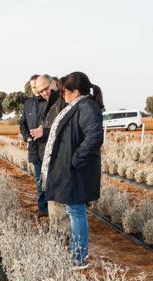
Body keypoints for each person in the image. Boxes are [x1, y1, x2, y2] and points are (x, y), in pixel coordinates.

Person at [41, 71, 104, 270]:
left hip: (78, 170)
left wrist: (76, 159)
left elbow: (94, 137)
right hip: (72, 169)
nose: (62, 96)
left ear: (75, 91)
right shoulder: (77, 106)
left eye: (64, 92)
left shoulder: (86, 107)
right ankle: (77, 255)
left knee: (76, 212)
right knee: (73, 210)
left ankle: (79, 258)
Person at [31, 75, 69, 233]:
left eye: (46, 88)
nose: (44, 93)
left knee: (59, 202)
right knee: (53, 201)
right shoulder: (50, 102)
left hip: (59, 160)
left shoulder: (62, 101)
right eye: (40, 91)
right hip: (50, 159)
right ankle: (59, 234)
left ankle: (63, 237)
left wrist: (44, 132)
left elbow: (64, 128)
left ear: (53, 82)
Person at [19, 74, 48, 217]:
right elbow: (22, 123)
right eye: (32, 87)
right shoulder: (28, 103)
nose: (35, 89)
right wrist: (27, 138)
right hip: (34, 148)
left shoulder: (50, 102)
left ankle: (54, 207)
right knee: (40, 179)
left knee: (50, 179)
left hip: (48, 147)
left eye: (36, 86)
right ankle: (43, 208)